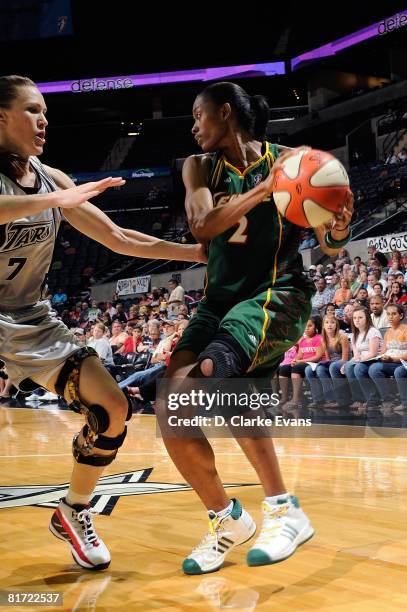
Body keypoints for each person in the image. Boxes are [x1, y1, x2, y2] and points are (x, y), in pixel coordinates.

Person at [0, 75, 205, 571]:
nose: (44, 120)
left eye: (45, 111)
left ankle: (72, 510)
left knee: (112, 407)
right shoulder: (45, 193)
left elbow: (118, 237)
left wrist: (197, 253)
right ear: (1, 118)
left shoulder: (53, 179)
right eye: (31, 110)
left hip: (28, 318)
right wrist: (56, 202)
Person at [155, 81, 354, 574]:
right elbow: (202, 226)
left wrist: (338, 226)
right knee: (170, 409)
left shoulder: (294, 160)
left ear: (225, 113)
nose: (194, 125)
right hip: (219, 300)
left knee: (212, 371)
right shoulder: (199, 166)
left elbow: (330, 245)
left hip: (276, 295)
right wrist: (266, 190)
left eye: (199, 115)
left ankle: (282, 511)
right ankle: (231, 518)